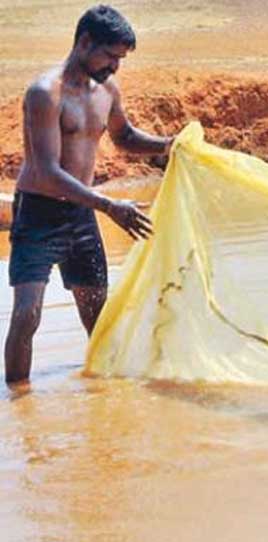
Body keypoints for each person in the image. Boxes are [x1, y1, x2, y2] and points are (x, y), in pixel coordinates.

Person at [5, 5, 174, 385]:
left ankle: (105, 396)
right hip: (39, 213)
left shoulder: (107, 90)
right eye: (110, 56)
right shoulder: (45, 93)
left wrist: (169, 145)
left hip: (81, 214)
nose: (115, 66)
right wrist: (109, 205)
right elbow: (48, 173)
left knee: (97, 313)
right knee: (26, 314)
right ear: (84, 42)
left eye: (120, 59)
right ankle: (19, 402)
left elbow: (124, 137)